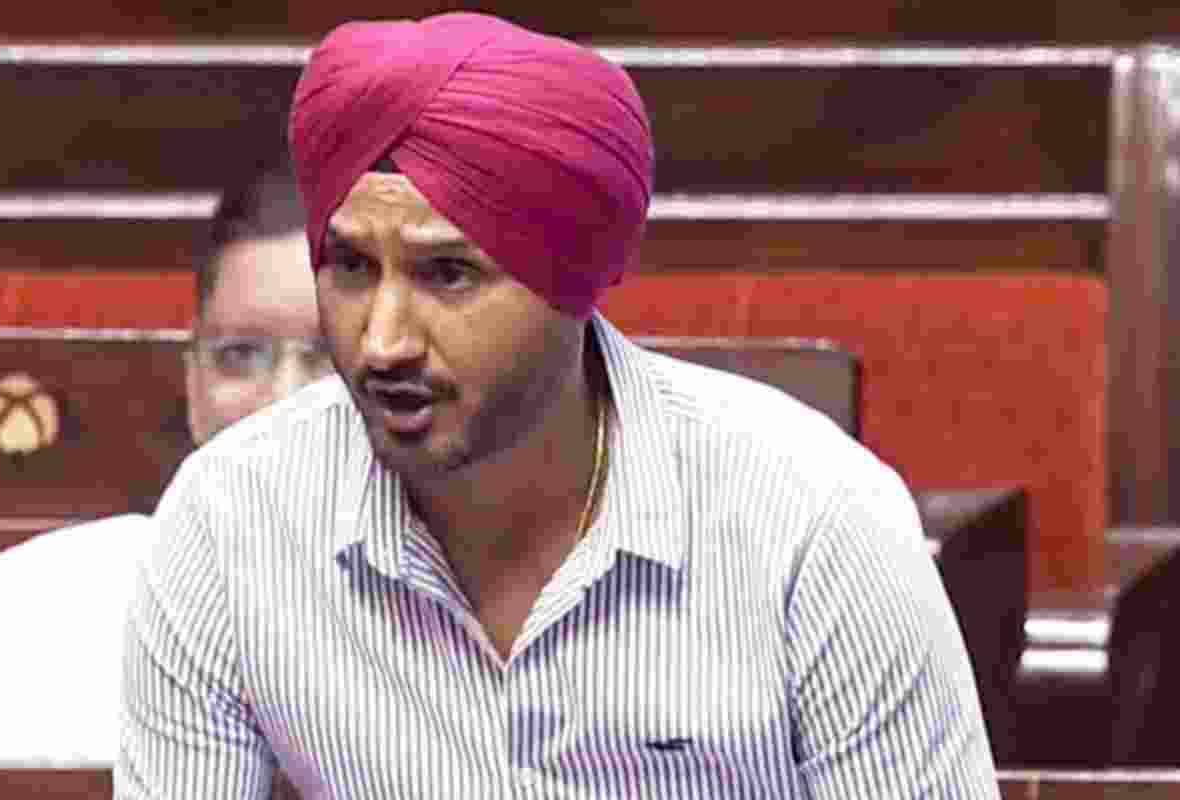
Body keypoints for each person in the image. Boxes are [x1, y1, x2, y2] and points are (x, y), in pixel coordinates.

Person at [117, 12, 999, 800]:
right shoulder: (231, 518)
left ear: (569, 284)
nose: (382, 340)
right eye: (350, 269)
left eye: (447, 273)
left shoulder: (814, 523)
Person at [0, 163, 327, 766]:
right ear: (192, 380)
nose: (282, 399)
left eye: (326, 355)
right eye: (241, 355)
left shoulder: (479, 607)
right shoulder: (39, 600)